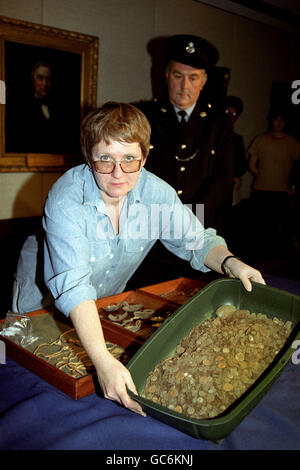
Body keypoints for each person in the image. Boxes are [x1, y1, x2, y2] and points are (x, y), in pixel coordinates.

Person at [12, 101, 265, 416]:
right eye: (105, 159)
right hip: (40, 303)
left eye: (130, 159)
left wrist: (232, 263)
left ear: (144, 157)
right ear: (89, 156)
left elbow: (197, 241)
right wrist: (103, 360)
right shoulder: (66, 198)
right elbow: (74, 286)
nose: (118, 174)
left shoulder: (156, 194)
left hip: (95, 309)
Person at [138, 34, 234, 231]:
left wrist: (190, 218)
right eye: (178, 75)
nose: (184, 86)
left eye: (193, 77)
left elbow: (224, 178)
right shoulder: (144, 117)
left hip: (200, 228)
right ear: (166, 75)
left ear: (204, 81)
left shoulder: (219, 123)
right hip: (152, 227)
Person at [248, 109, 300, 257]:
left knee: (278, 229)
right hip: (261, 189)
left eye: (282, 120)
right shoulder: (261, 140)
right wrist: (263, 175)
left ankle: (275, 258)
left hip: (281, 191)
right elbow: (252, 164)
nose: (278, 123)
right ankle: (258, 256)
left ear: (285, 122)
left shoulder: (292, 142)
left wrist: (292, 185)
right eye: (275, 120)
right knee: (259, 227)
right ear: (271, 121)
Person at [224, 96, 247, 194]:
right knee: (198, 209)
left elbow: (241, 165)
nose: (229, 117)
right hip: (204, 187)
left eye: (233, 114)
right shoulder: (208, 135)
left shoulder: (236, 140)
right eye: (227, 112)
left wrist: (234, 176)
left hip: (226, 186)